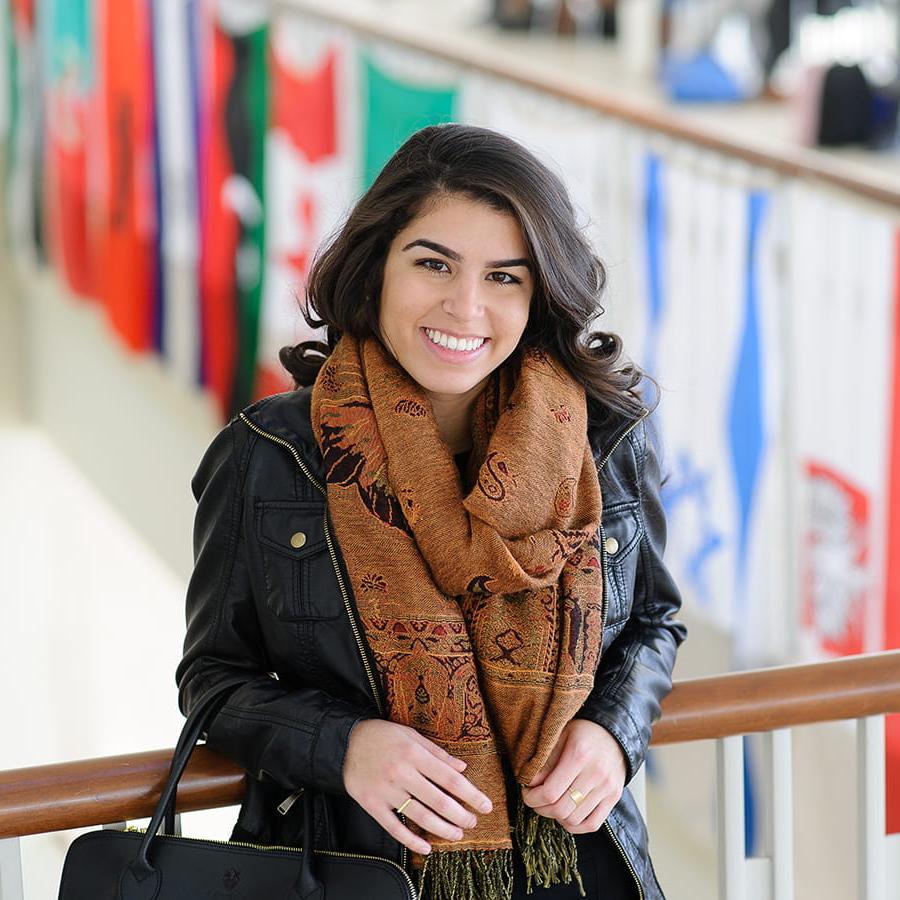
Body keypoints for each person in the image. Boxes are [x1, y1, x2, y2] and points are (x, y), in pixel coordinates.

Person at [176, 123, 686, 900]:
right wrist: (342, 745)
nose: (466, 306)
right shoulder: (269, 457)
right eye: (434, 264)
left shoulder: (604, 440)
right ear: (376, 265)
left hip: (578, 873)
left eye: (506, 278)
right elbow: (213, 679)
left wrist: (614, 734)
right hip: (360, 873)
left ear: (539, 293)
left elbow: (653, 622)